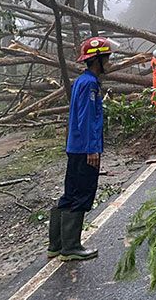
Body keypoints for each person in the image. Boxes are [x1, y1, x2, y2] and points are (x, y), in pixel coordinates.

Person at [47, 37, 114, 261]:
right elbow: (87, 119)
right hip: (85, 149)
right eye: (107, 58)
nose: (110, 62)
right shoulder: (90, 84)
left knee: (70, 192)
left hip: (76, 147)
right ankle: (71, 247)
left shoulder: (82, 81)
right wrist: (92, 148)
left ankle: (56, 245)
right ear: (97, 60)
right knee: (82, 193)